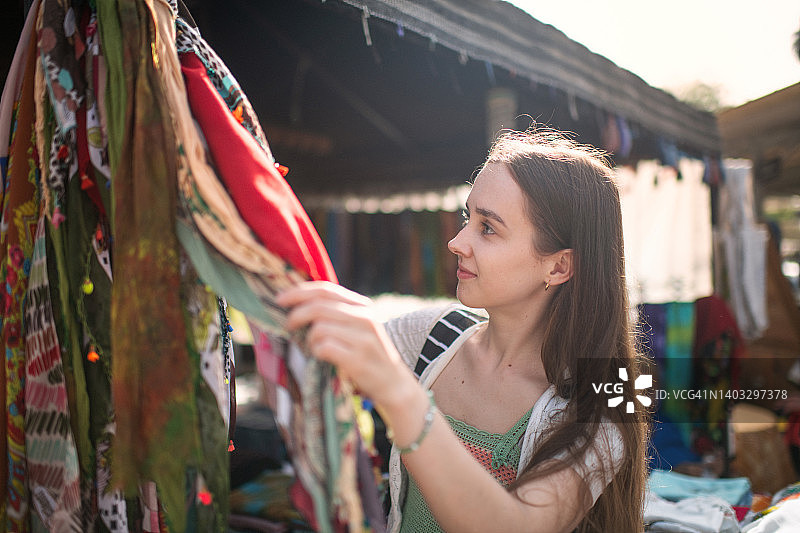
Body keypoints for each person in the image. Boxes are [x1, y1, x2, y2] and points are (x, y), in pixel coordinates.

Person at [277, 129, 649, 532]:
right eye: (468, 218)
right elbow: (307, 360)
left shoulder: (600, 409)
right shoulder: (429, 337)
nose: (455, 242)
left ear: (558, 266)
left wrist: (399, 394)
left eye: (488, 228)